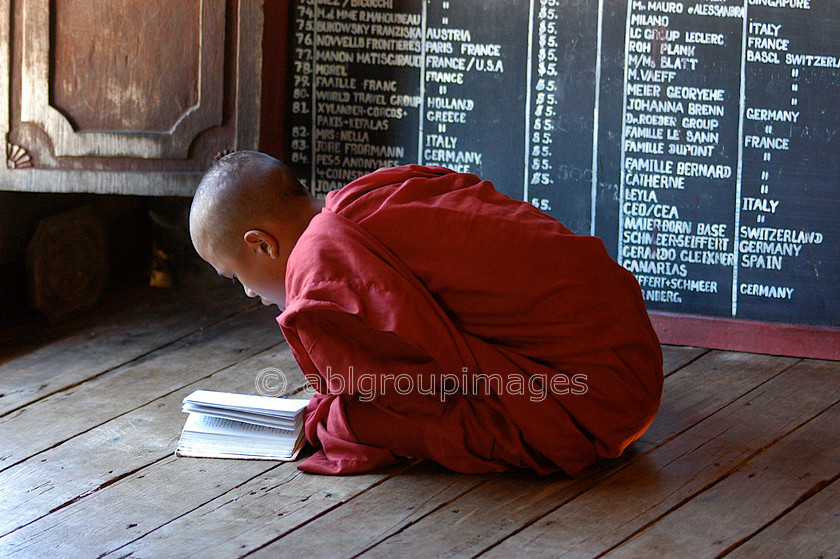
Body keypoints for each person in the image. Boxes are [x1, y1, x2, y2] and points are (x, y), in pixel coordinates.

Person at [189, 151, 663, 476]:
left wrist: (331, 421)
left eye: (236, 277)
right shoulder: (367, 195)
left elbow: (415, 394)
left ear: (262, 243)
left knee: (354, 423)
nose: (250, 293)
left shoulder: (321, 264)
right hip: (630, 354)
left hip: (595, 403)